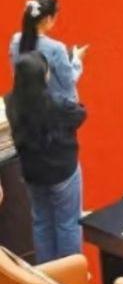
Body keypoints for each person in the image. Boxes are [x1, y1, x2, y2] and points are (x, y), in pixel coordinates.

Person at [5, 52, 87, 263]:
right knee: (68, 223)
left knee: (41, 222)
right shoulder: (56, 103)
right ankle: (70, 273)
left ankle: (47, 271)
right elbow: (80, 114)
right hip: (62, 172)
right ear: (43, 76)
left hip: (32, 173)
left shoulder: (10, 101)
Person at [10, 0, 84, 104]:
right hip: (55, 107)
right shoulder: (56, 48)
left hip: (26, 104)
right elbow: (68, 81)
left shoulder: (16, 40)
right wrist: (77, 60)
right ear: (48, 19)